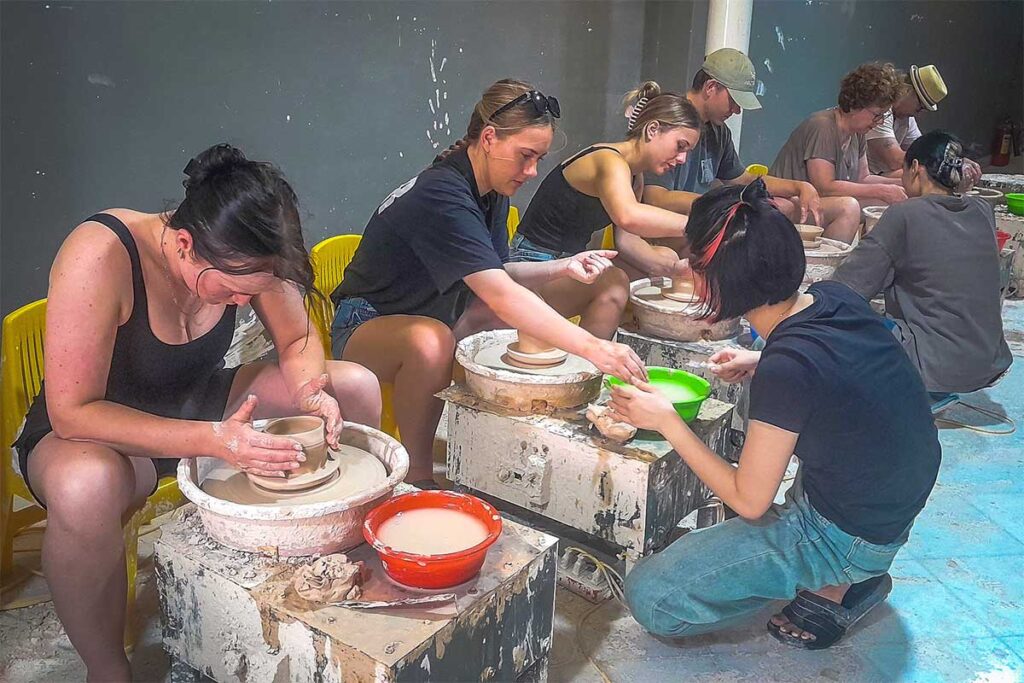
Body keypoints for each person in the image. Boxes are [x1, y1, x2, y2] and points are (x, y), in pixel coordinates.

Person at [12, 143, 381, 681]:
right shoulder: (101, 253)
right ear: (185, 244)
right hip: (98, 431)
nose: (239, 304)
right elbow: (73, 412)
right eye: (231, 291)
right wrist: (214, 441)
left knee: (355, 386)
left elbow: (298, 337)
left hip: (196, 399)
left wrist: (310, 393)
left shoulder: (250, 249)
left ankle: (333, 568)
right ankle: (107, 666)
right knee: (86, 485)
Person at [611, 180, 941, 650]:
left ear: (727, 281)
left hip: (850, 531)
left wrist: (667, 420)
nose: (686, 270)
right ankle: (843, 572)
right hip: (893, 495)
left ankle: (839, 581)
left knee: (651, 597)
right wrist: (759, 360)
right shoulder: (832, 298)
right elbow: (853, 375)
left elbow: (750, 502)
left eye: (697, 265)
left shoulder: (789, 368)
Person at [331, 79, 647, 488]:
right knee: (432, 341)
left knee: (483, 317)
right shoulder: (443, 193)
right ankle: (418, 479)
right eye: (526, 156)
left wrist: (564, 267)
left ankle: (498, 439)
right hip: (367, 324)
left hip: (434, 312)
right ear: (489, 138)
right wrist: (592, 347)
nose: (532, 171)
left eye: (539, 159)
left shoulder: (491, 188)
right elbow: (500, 291)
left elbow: (499, 272)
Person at [835, 130, 1012, 399]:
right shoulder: (982, 211)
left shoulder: (905, 214)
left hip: (935, 371)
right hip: (987, 363)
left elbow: (847, 289)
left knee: (841, 326)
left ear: (915, 168)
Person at [642, 48, 861, 242]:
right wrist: (722, 203)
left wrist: (799, 186)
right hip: (665, 229)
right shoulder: (670, 120)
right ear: (711, 87)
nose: (737, 111)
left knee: (782, 208)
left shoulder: (718, 131)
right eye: (734, 101)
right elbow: (655, 198)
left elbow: (743, 179)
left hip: (698, 220)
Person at [511, 80, 699, 281]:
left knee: (664, 259)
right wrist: (700, 224)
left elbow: (627, 239)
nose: (682, 159)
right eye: (680, 146)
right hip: (533, 260)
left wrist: (672, 267)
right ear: (652, 129)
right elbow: (628, 216)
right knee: (614, 284)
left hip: (571, 259)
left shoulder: (635, 177)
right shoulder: (608, 160)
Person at [771, 62, 910, 231]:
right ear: (855, 105)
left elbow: (863, 178)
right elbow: (825, 186)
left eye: (883, 116)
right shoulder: (822, 126)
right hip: (787, 205)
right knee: (848, 207)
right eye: (877, 115)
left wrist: (903, 184)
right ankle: (835, 258)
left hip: (813, 205)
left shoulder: (857, 134)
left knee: (883, 202)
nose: (879, 121)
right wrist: (881, 190)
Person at [866, 65, 982, 186]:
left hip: (884, 173)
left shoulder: (906, 117)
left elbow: (923, 150)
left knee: (930, 174)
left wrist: (954, 161)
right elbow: (895, 160)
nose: (919, 115)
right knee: (926, 177)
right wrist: (946, 162)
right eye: (920, 107)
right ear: (906, 91)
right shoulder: (881, 111)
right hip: (870, 175)